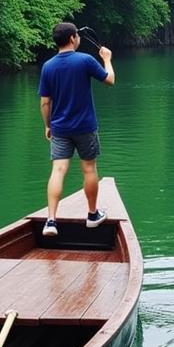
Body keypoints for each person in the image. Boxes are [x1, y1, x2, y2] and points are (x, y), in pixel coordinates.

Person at [39, 21, 115, 238]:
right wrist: (107, 60)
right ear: (73, 38)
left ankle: (51, 220)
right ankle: (92, 215)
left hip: (60, 128)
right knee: (89, 169)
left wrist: (47, 125)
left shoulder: (48, 66)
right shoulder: (85, 60)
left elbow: (45, 102)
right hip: (85, 126)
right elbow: (110, 80)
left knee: (58, 171)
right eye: (77, 36)